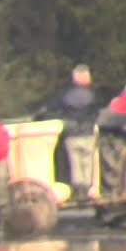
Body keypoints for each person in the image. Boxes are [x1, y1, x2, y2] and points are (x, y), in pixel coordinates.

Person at [40, 64, 99, 201]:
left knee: (75, 163)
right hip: (88, 133)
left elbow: (50, 108)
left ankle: (78, 190)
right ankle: (87, 189)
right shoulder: (94, 94)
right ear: (85, 77)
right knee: (87, 162)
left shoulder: (65, 94)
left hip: (71, 134)